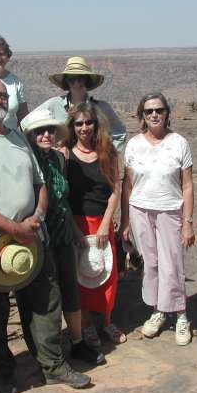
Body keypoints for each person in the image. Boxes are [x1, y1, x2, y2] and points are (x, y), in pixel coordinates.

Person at [0, 78, 91, 393]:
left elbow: (39, 184)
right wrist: (15, 227)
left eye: (2, 95)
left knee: (45, 302)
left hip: (31, 239)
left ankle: (53, 366)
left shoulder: (18, 137)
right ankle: (3, 373)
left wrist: (36, 217)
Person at [21, 109, 106, 366]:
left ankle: (78, 343)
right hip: (40, 238)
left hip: (63, 234)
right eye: (39, 131)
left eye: (49, 130)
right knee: (49, 295)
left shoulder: (59, 159)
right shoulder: (27, 161)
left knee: (70, 290)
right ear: (30, 135)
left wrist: (75, 232)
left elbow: (65, 200)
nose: (46, 135)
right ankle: (50, 356)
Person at [120, 93, 195, 345]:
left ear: (167, 113)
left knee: (172, 263)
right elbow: (127, 186)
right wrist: (126, 222)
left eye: (159, 110)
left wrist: (188, 222)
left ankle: (181, 315)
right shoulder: (133, 145)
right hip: (140, 209)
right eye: (149, 110)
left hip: (170, 210)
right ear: (142, 114)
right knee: (151, 264)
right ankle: (158, 311)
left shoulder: (179, 143)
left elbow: (187, 186)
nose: (154, 115)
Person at [63, 103, 126, 346]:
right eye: (78, 124)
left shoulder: (106, 151)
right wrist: (76, 229)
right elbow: (63, 197)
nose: (84, 128)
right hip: (77, 222)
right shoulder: (66, 155)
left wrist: (105, 224)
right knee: (82, 274)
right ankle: (87, 324)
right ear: (73, 127)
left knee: (107, 274)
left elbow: (115, 189)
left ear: (96, 124)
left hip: (102, 222)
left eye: (88, 122)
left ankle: (107, 322)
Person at [26, 56, 127, 151]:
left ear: (87, 81)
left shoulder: (102, 107)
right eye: (72, 79)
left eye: (81, 79)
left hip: (93, 163)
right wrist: (46, 151)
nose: (76, 83)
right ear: (66, 82)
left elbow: (119, 134)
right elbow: (26, 124)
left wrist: (109, 155)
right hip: (62, 165)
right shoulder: (53, 104)